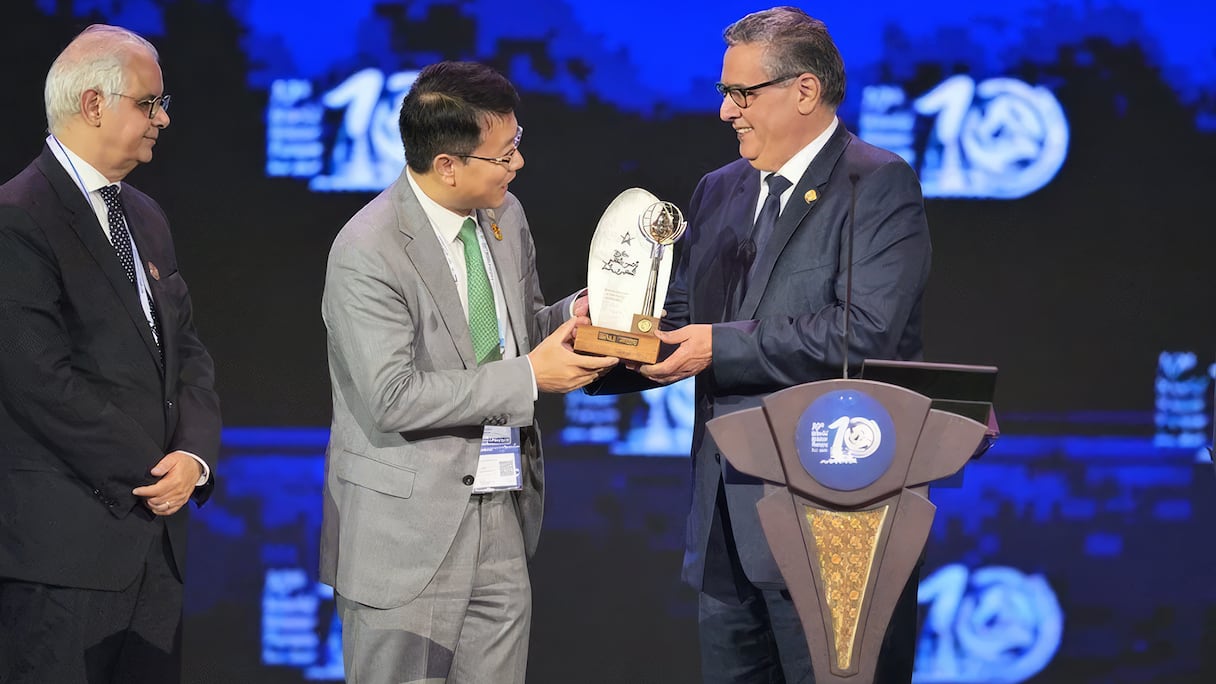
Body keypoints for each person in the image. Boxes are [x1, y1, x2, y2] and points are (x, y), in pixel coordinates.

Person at [616, 7, 932, 682]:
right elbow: (682, 318)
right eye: (724, 92)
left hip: (832, 519)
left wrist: (717, 346)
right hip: (725, 526)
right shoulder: (717, 190)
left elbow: (864, 331)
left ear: (805, 91)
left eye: (742, 93)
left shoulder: (875, 184)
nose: (725, 111)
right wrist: (609, 327)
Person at [319, 61, 617, 684]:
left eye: (517, 144)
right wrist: (530, 377)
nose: (518, 164)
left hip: (501, 511)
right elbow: (393, 397)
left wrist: (574, 314)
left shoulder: (505, 217)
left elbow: (515, 332)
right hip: (407, 534)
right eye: (503, 155)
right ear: (447, 165)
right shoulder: (367, 250)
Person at [0, 24, 221, 684]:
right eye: (149, 103)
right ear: (93, 104)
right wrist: (152, 469)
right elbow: (37, 379)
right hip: (63, 557)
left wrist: (194, 457)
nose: (163, 118)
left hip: (155, 553)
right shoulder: (17, 217)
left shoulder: (145, 216)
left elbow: (187, 350)